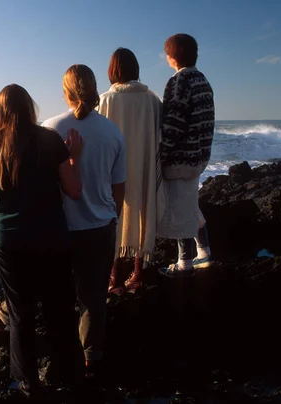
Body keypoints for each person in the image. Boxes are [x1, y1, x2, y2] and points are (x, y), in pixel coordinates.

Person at [0, 84, 84, 396]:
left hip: (9, 242)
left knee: (20, 312)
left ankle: (28, 384)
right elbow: (74, 190)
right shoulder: (49, 140)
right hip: (51, 237)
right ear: (29, 107)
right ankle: (71, 378)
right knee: (60, 309)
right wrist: (75, 157)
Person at [42, 65, 126, 377]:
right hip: (100, 228)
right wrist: (112, 216)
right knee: (93, 298)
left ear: (65, 92)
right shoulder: (113, 132)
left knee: (55, 295)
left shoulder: (49, 129)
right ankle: (91, 357)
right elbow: (119, 186)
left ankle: (61, 356)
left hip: (60, 228)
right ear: (94, 89)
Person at [97, 48, 165, 294]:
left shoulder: (106, 100)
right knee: (143, 210)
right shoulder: (152, 100)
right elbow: (161, 135)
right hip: (144, 165)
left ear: (112, 71)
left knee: (113, 213)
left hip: (114, 167)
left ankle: (113, 273)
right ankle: (137, 272)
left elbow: (98, 137)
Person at [156, 33, 215, 277]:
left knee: (181, 211)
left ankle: (184, 265)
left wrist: (161, 152)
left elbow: (174, 123)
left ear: (171, 57)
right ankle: (204, 251)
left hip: (180, 159)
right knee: (190, 205)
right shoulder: (203, 80)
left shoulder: (179, 81)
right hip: (198, 157)